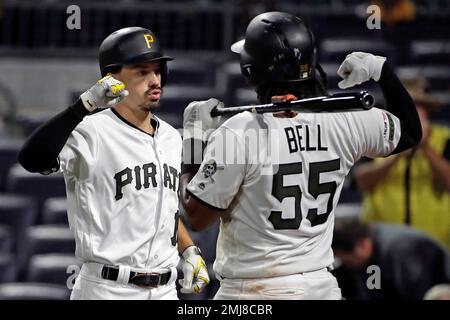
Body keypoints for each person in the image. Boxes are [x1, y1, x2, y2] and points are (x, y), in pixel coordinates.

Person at [179, 11, 421, 300]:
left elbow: (196, 216)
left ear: (250, 70)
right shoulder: (348, 119)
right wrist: (381, 70)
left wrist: (193, 141)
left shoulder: (239, 131)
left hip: (254, 292)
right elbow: (409, 132)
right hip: (322, 288)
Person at [18, 27, 209, 300]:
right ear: (111, 79)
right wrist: (83, 106)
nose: (155, 80)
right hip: (107, 288)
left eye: (157, 71)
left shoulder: (170, 136)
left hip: (165, 290)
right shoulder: (90, 131)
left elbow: (164, 208)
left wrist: (188, 249)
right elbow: (31, 159)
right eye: (142, 72)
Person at [353, 76, 450, 248]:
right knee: (375, 276)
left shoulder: (444, 138)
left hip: (435, 242)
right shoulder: (375, 135)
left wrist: (425, 146)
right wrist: (398, 154)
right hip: (382, 243)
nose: (410, 112)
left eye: (417, 106)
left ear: (427, 110)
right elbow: (360, 181)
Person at [332, 219, 450, 300]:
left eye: (349, 262)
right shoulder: (367, 257)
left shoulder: (399, 251)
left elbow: (417, 291)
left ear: (363, 244)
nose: (349, 266)